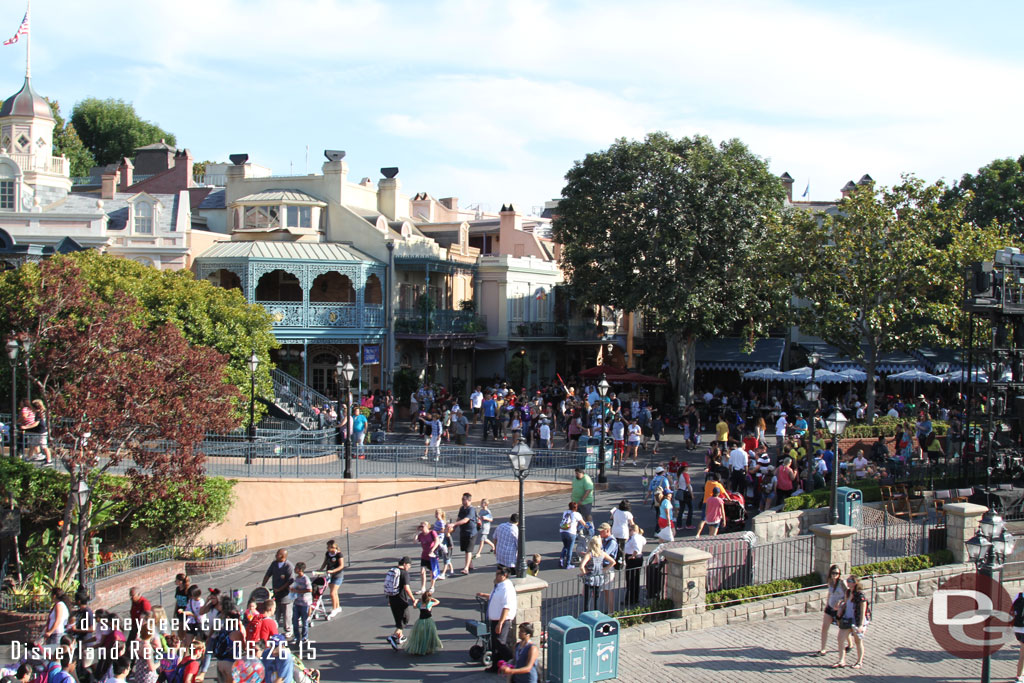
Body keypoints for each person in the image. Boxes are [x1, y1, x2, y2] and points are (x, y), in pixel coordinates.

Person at [476, 566, 517, 673]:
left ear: (504, 576)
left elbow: (506, 607)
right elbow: (496, 598)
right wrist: (485, 595)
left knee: (500, 643)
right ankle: (496, 666)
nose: (496, 576)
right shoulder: (498, 586)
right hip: (495, 620)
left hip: (502, 620)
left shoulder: (506, 588)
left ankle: (512, 660)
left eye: (498, 574)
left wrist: (500, 623)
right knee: (495, 644)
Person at [832, 575, 868, 669]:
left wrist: (860, 625)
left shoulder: (860, 595)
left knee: (858, 641)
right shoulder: (848, 592)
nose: (847, 582)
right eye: (847, 580)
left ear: (855, 582)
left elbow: (863, 611)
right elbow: (845, 603)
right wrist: (840, 608)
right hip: (847, 619)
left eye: (850, 581)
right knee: (840, 639)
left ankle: (859, 662)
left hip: (856, 621)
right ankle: (841, 660)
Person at [260, 548, 294, 640]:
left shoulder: (288, 566)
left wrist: (280, 589)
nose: (276, 555)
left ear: (283, 556)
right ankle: (274, 629)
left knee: (287, 614)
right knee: (276, 613)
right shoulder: (274, 564)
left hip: (286, 595)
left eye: (278, 554)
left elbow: (290, 581)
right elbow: (268, 574)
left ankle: (288, 630)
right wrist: (263, 586)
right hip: (276, 594)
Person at [816, 564, 846, 657]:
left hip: (839, 609)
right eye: (833, 573)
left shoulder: (842, 583)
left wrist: (841, 602)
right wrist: (827, 604)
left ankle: (850, 644)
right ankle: (823, 649)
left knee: (843, 627)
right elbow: (830, 593)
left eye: (837, 573)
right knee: (825, 627)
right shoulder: (830, 582)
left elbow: (848, 595)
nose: (835, 575)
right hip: (830, 607)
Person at [385, 557, 415, 650]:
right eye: (409, 565)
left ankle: (400, 637)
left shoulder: (393, 570)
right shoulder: (404, 573)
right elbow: (407, 588)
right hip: (401, 600)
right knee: (405, 619)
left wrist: (389, 600)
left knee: (398, 619)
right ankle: (393, 636)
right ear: (405, 564)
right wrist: (413, 599)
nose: (409, 567)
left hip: (392, 598)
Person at [579, 535, 613, 612]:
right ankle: (596, 614)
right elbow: (613, 562)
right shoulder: (602, 553)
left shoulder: (589, 554)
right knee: (597, 599)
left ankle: (586, 615)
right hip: (599, 578)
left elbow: (581, 566)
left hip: (590, 579)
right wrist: (604, 569)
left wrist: (584, 573)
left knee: (587, 600)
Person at [403, 590, 442, 656]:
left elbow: (414, 606)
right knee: (428, 635)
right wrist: (431, 598)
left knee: (420, 635)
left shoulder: (420, 605)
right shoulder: (430, 604)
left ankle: (419, 648)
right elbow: (438, 601)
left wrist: (415, 601)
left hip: (420, 621)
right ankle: (428, 648)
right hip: (428, 621)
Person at [451, 492, 478, 574]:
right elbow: (459, 518)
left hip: (471, 533)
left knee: (468, 550)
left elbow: (466, 520)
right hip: (464, 532)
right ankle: (471, 565)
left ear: (469, 500)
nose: (462, 501)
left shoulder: (471, 509)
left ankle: (466, 568)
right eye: (462, 499)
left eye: (464, 499)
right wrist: (454, 527)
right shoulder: (462, 508)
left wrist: (454, 524)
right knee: (466, 549)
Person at [319, 539, 345, 618]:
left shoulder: (339, 555)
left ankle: (334, 609)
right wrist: (321, 569)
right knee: (334, 592)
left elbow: (341, 566)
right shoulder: (328, 554)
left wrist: (333, 570)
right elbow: (325, 562)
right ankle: (337, 607)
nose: (327, 549)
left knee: (332, 593)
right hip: (330, 575)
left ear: (333, 547)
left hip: (337, 575)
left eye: (329, 547)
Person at [623, 522, 646, 605]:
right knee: (635, 579)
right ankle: (634, 598)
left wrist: (633, 555)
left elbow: (637, 548)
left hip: (633, 559)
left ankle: (630, 599)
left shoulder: (634, 538)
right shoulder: (640, 537)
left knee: (630, 579)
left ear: (632, 530)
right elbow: (644, 542)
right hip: (638, 558)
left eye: (629, 530)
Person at [416, 521, 441, 594]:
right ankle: (423, 588)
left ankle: (432, 586)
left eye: (423, 526)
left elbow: (437, 541)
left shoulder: (432, 532)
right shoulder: (421, 535)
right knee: (422, 572)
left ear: (427, 526)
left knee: (432, 571)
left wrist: (432, 550)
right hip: (424, 555)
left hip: (431, 555)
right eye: (421, 526)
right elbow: (415, 541)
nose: (421, 528)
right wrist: (416, 532)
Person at [290, 561, 312, 645]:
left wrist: (298, 591)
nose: (294, 569)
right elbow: (295, 586)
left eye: (296, 568)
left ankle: (304, 637)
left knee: (304, 622)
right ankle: (296, 637)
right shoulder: (297, 578)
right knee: (295, 622)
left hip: (304, 604)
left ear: (300, 569)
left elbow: (309, 589)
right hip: (297, 602)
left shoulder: (305, 579)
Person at [558, 501, 585, 569]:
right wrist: (589, 527)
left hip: (563, 531)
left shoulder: (565, 512)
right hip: (571, 532)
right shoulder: (576, 514)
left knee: (565, 546)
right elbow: (583, 523)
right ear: (576, 508)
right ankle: (568, 564)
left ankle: (561, 559)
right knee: (570, 548)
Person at [572, 467, 595, 534]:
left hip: (585, 502)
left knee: (587, 515)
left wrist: (582, 500)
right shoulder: (575, 479)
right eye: (575, 473)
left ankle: (591, 528)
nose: (576, 475)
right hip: (576, 501)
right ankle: (579, 530)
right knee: (577, 516)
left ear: (582, 473)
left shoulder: (586, 479)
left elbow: (588, 490)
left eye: (577, 474)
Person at [674, 462, 695, 529]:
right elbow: (688, 485)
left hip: (681, 492)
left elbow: (677, 485)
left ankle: (679, 525)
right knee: (690, 508)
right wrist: (691, 494)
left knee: (681, 509)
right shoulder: (685, 475)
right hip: (686, 493)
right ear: (685, 468)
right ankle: (688, 524)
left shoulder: (679, 475)